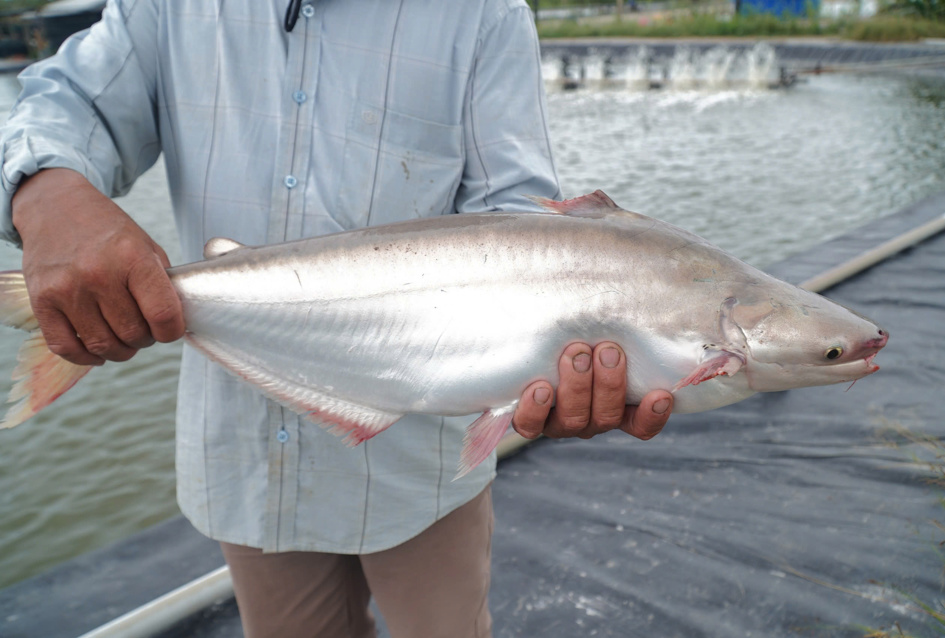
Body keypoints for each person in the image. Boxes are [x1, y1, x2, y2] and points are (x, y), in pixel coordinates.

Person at [0, 1, 673, 636]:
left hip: (420, 470)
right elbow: (71, 102)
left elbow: (517, 219)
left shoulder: (481, 14)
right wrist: (49, 190)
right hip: (248, 454)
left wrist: (566, 340)